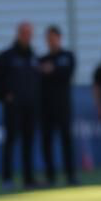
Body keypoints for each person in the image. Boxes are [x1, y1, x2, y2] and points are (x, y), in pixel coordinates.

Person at [0, 21, 40, 190]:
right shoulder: (7, 56)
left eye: (30, 33)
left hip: (31, 107)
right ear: (18, 34)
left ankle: (28, 179)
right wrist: (4, 95)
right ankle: (7, 179)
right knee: (10, 142)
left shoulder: (33, 56)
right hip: (13, 108)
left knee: (29, 143)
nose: (27, 36)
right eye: (25, 33)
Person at [38, 25, 78, 185]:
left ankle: (70, 175)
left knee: (66, 140)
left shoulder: (67, 56)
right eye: (48, 38)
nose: (51, 41)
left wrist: (52, 70)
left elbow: (66, 74)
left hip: (63, 106)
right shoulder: (41, 59)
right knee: (46, 142)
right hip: (45, 107)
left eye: (53, 37)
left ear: (59, 38)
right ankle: (50, 176)